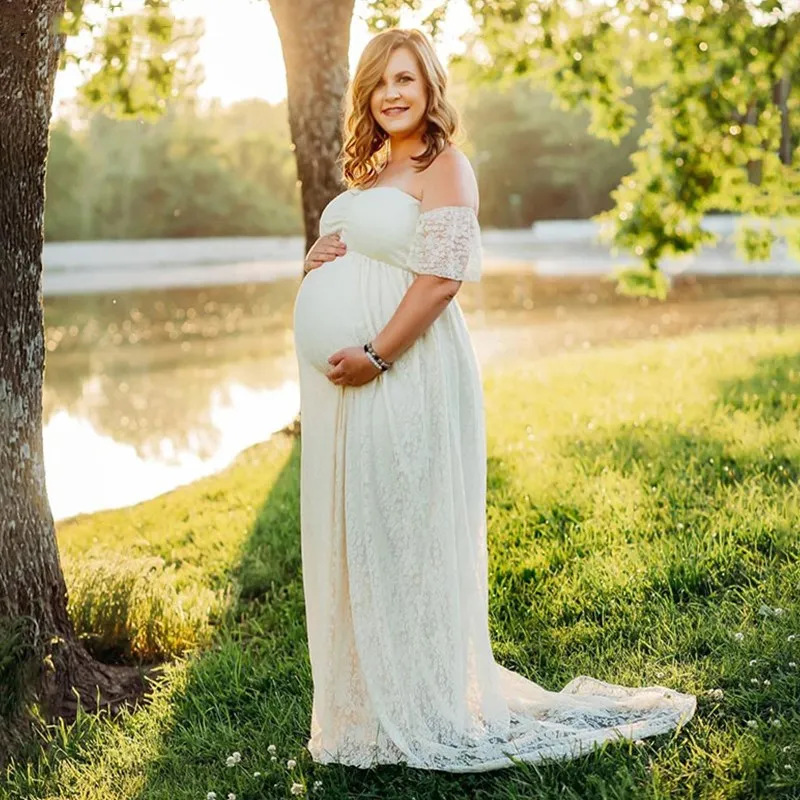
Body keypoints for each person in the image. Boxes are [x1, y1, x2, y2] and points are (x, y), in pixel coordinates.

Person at [291, 28, 695, 773]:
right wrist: (315, 262)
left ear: (430, 87)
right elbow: (363, 257)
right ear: (366, 96)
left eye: (406, 79)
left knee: (411, 535)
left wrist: (378, 353)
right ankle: (374, 708)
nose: (392, 93)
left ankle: (428, 703)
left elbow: (441, 278)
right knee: (370, 539)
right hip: (353, 384)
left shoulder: (446, 166)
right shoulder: (373, 169)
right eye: (380, 82)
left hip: (405, 370)